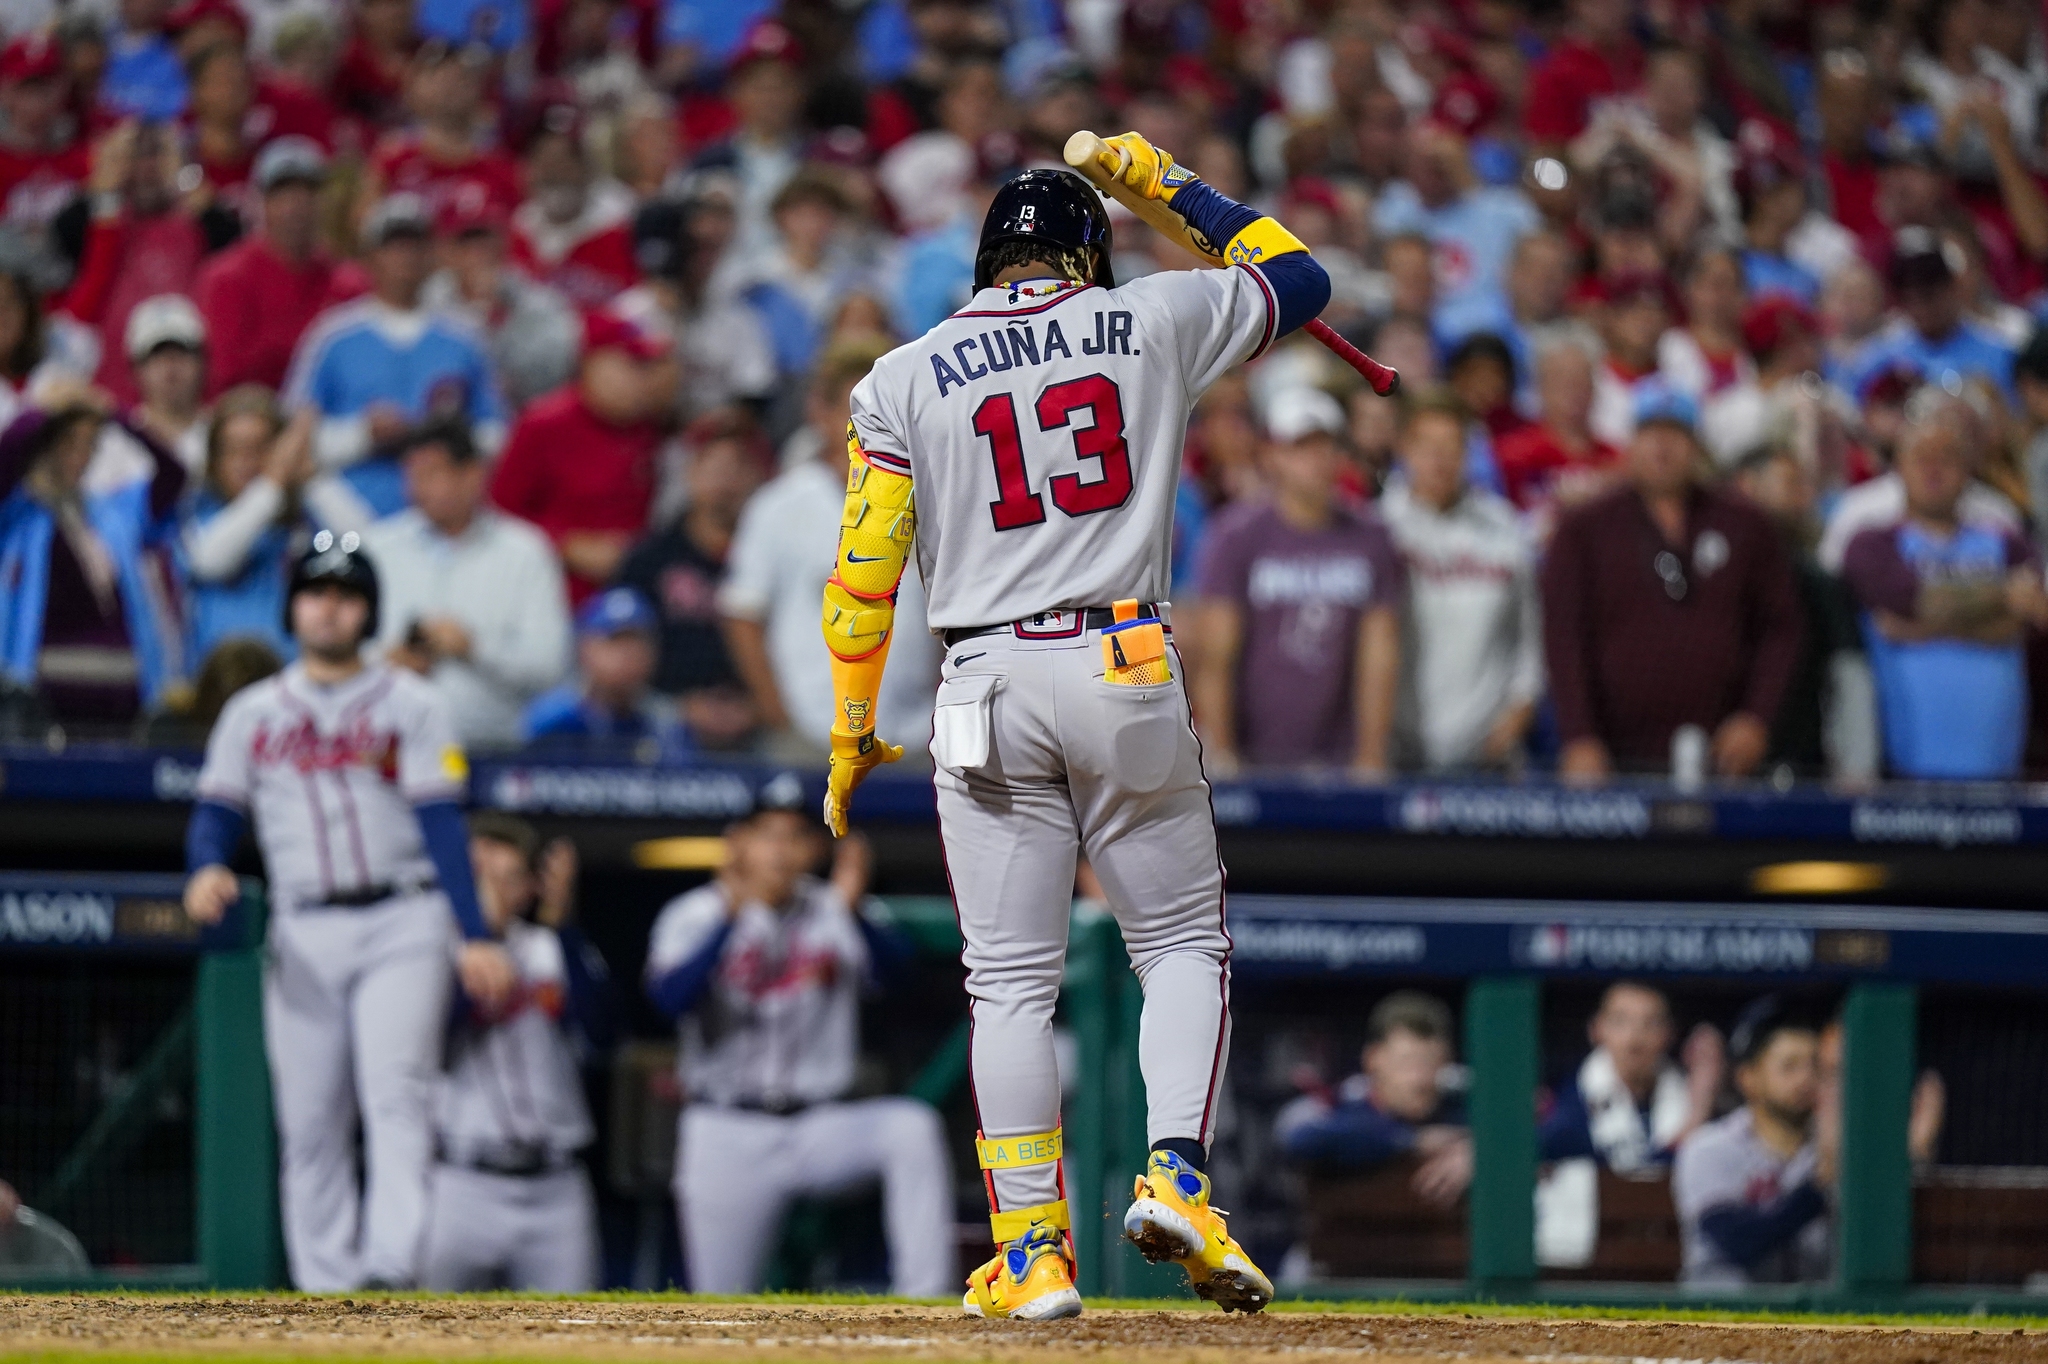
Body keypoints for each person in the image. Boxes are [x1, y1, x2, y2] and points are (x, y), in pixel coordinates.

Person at [820, 150, 1333, 1318]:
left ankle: (1031, 1251)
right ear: (1085, 251)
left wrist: (852, 727)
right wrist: (1167, 184)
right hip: (1121, 657)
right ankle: (1176, 1176)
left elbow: (860, 582)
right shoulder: (1146, 314)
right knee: (1179, 945)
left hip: (979, 676)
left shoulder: (899, 376)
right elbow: (1296, 277)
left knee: (1004, 983)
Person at [180, 532, 517, 1290]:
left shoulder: (414, 703)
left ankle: (392, 1273)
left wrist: (474, 932)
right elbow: (216, 813)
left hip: (403, 918)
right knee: (308, 1120)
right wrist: (205, 867)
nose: (329, 608)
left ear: (367, 611)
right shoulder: (252, 711)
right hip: (303, 926)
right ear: (293, 606)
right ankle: (327, 1288)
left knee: (397, 1098)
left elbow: (442, 822)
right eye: (315, 592)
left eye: (345, 594)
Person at [643, 777, 953, 1298]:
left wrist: (854, 912)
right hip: (727, 1127)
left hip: (818, 1127)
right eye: (767, 835)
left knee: (910, 1130)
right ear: (737, 843)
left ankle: (926, 1301)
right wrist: (729, 921)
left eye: (795, 836)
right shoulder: (695, 914)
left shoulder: (836, 909)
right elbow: (668, 1002)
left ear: (814, 848)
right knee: (720, 1306)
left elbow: (903, 980)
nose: (781, 850)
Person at [1543, 383, 1804, 781]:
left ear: (1697, 447)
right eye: (1650, 434)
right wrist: (1578, 735)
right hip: (1612, 756)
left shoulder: (1746, 524)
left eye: (1676, 435)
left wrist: (1757, 718)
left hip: (1726, 755)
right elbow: (1563, 636)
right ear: (1631, 444)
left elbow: (1780, 629)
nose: (1662, 448)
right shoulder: (1585, 528)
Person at [419, 814, 614, 1291]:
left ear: (530, 888)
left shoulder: (553, 950)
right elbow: (432, 1036)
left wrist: (563, 926)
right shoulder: (429, 951)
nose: (492, 890)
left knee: (574, 1339)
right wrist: (477, 937)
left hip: (556, 1185)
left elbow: (604, 1034)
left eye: (507, 878)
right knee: (426, 1337)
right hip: (460, 1181)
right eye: (479, 878)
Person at [719, 339, 937, 758]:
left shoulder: (932, 500)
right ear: (820, 413)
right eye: (862, 408)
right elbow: (743, 616)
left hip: (913, 735)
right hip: (811, 734)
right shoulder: (778, 505)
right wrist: (780, 718)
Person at [1190, 387, 1403, 777]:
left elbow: (1379, 654)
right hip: (1253, 757)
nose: (1316, 461)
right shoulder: (1236, 537)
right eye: (1301, 448)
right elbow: (1215, 657)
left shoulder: (1372, 538)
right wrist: (1221, 752)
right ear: (1273, 456)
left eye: (1326, 447)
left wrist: (1371, 756)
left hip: (1340, 759)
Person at [1841, 409, 2048, 779]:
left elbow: (2028, 618)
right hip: (1902, 770)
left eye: (1947, 458)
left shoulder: (2008, 541)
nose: (1933, 469)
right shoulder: (1872, 543)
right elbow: (1908, 602)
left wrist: (1919, 628)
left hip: (2000, 768)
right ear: (1898, 467)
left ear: (1970, 469)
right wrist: (2000, 604)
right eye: (1921, 457)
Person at [284, 194, 508, 518]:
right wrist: (362, 435)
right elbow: (295, 439)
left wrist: (438, 434)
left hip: (443, 520)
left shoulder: (466, 337)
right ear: (369, 257)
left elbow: (498, 436)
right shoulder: (333, 337)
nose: (405, 257)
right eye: (393, 246)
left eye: (415, 245)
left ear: (432, 255)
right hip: (348, 516)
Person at [363, 422, 571, 749]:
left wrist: (474, 649)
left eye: (431, 474)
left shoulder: (526, 553)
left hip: (490, 748)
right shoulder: (376, 548)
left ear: (473, 475)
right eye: (412, 476)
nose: (417, 489)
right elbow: (338, 651)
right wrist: (386, 662)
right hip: (388, 746)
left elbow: (548, 667)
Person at [0, 395, 187, 727]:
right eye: (69, 443)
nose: (80, 456)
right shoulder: (19, 514)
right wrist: (47, 409)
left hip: (125, 695)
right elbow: (6, 455)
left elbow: (174, 474)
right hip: (42, 698)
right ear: (44, 446)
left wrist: (116, 414)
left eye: (90, 445)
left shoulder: (113, 512)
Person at [1380, 392, 1541, 772]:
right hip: (1396, 752)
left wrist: (1520, 710)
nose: (1439, 459)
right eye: (1427, 446)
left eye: (1452, 446)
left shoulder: (1503, 527)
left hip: (1489, 757)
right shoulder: (1379, 528)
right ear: (1403, 448)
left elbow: (1530, 635)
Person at [487, 309, 677, 606]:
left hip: (633, 597)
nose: (643, 378)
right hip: (554, 594)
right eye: (633, 365)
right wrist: (567, 545)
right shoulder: (543, 424)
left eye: (647, 367)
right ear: (593, 363)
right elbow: (498, 515)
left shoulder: (651, 428)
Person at [1534, 982, 1723, 1268]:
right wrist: (1695, 1118)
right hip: (1588, 1268)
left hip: (1668, 1263)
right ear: (1596, 1029)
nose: (1635, 1039)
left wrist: (1700, 1104)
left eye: (1650, 1024)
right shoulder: (1568, 1100)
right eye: (1620, 1022)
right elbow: (1627, 1169)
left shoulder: (1681, 1093)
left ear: (1669, 1034)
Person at [177, 388, 366, 663]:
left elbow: (369, 545)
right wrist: (273, 480)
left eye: (260, 449)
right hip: (221, 679)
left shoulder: (305, 520)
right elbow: (209, 562)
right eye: (233, 450)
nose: (246, 462)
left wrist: (310, 476)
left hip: (297, 679)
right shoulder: (198, 514)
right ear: (214, 461)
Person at [616, 411, 763, 748]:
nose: (725, 482)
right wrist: (681, 705)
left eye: (738, 468)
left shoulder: (779, 558)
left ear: (759, 477)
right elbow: (622, 646)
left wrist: (760, 707)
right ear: (691, 473)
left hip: (760, 716)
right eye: (713, 467)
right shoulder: (650, 559)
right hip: (665, 710)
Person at [1672, 997, 1833, 1287]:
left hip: (1813, 1323)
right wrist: (1818, 1188)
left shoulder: (1833, 1148)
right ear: (1748, 1078)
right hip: (1720, 1320)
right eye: (1789, 1066)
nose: (1805, 1079)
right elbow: (1738, 1242)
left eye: (1814, 1066)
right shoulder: (1710, 1148)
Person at [1273, 991, 1472, 1208]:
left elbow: (1507, 1138)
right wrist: (1412, 1141)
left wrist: (1478, 1153)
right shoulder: (1339, 1104)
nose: (1420, 1079)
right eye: (1407, 1063)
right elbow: (1297, 1139)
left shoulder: (1461, 1112)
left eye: (1432, 1063)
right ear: (1373, 1059)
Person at [192, 137, 337, 398]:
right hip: (252, 418)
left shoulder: (346, 280)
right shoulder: (227, 277)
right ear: (261, 203)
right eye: (281, 194)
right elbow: (228, 375)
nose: (294, 207)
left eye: (305, 193)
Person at [420, 196, 582, 411]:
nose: (478, 252)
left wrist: (499, 319)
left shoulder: (536, 302)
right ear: (446, 251)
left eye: (486, 240)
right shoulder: (426, 300)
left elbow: (554, 376)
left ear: (503, 243)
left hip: (520, 418)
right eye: (466, 242)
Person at [1839, 229, 2019, 406]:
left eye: (1928, 294)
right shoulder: (1876, 360)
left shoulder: (1999, 353)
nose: (1920, 307)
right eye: (1908, 297)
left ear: (1953, 286)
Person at [507, 102, 639, 311]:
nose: (553, 172)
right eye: (543, 159)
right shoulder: (518, 228)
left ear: (587, 166)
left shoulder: (626, 222)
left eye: (565, 159)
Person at [522, 587, 680, 748]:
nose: (629, 653)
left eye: (638, 641)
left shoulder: (666, 721)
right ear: (584, 648)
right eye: (615, 640)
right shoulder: (550, 718)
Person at [1494, 335, 1623, 519]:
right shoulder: (1511, 454)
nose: (1573, 388)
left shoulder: (1615, 460)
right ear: (1541, 387)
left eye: (1581, 379)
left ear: (1595, 388)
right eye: (1561, 378)